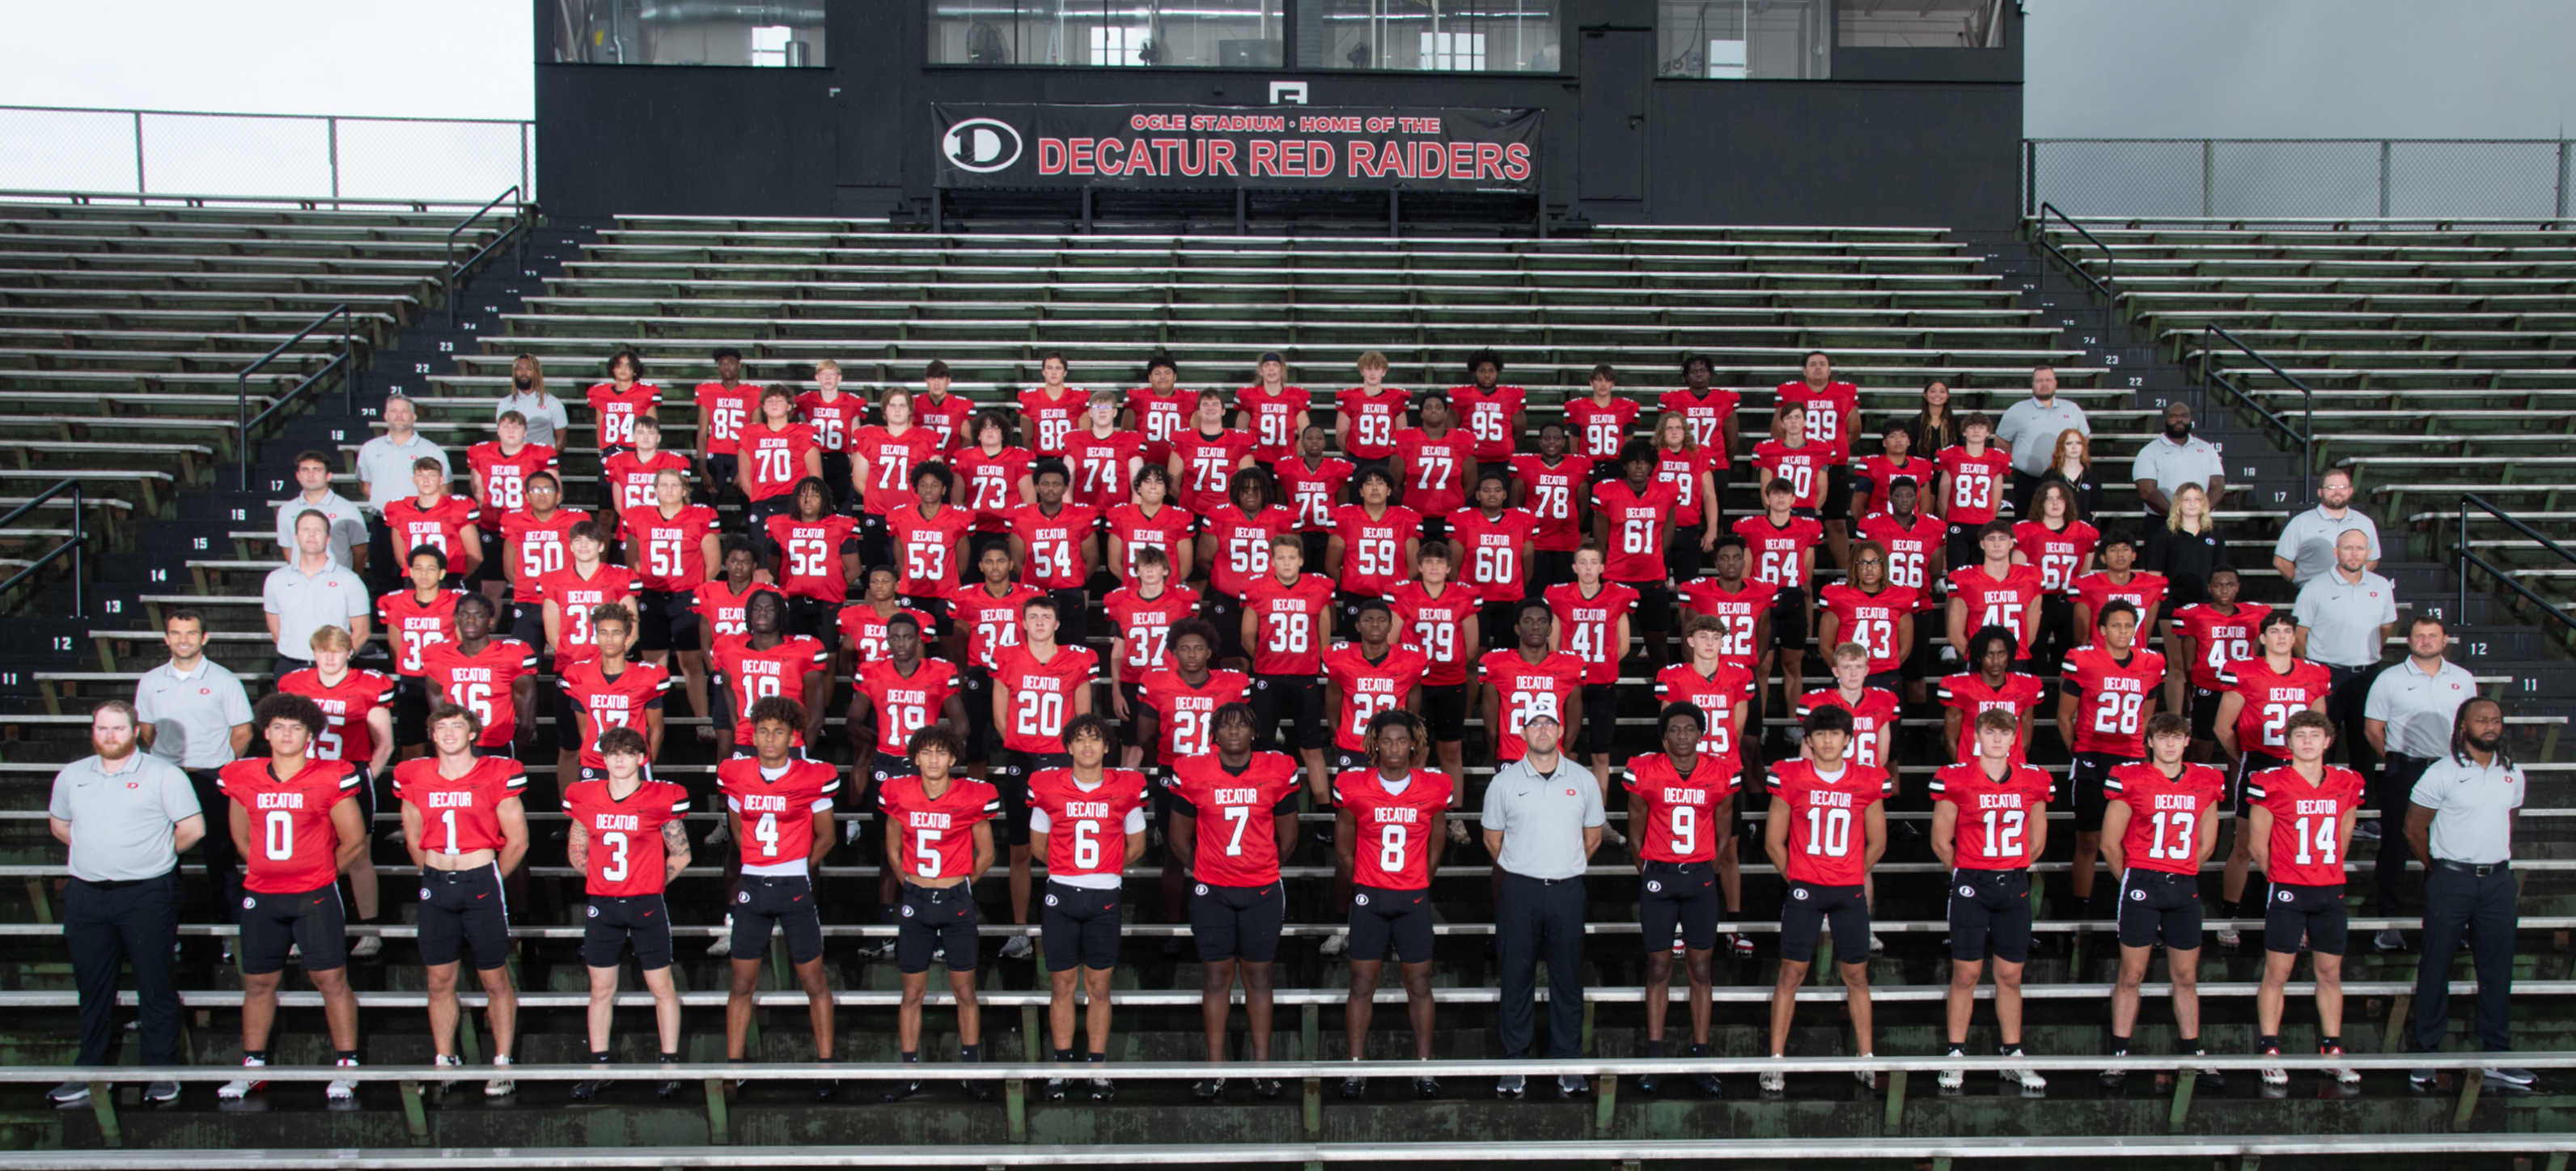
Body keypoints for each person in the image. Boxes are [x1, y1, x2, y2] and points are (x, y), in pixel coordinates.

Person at [46, 700, 201, 1106]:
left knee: (155, 983)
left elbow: (193, 828)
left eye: (118, 729)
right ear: (92, 731)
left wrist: (152, 859)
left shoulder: (164, 775)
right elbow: (61, 825)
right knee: (93, 988)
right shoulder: (72, 775)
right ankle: (91, 1070)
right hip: (86, 894)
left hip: (147, 895)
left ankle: (161, 1071)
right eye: (102, 728)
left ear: (135, 731)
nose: (109, 736)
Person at [214, 694, 366, 1102]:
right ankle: (253, 1065)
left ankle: (347, 1064)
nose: (286, 734)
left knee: (330, 980)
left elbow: (353, 840)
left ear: (310, 734)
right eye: (279, 726)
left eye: (296, 727)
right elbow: (241, 837)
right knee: (258, 983)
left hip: (313, 895)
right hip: (262, 895)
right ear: (265, 731)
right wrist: (270, 869)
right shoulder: (242, 775)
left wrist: (317, 875)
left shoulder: (330, 774)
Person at [1165, 702, 1304, 1101]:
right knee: (1216, 979)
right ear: (1215, 733)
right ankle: (1216, 1069)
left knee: (1259, 977)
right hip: (1214, 891)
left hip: (1261, 889)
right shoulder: (1193, 771)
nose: (1233, 732)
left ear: (1253, 731)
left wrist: (1261, 867)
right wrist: (1205, 869)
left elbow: (1289, 836)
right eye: (1225, 726)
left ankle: (1262, 1069)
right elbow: (1178, 837)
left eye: (1241, 725)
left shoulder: (1276, 769)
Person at [390, 702, 528, 1096]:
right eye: (441, 727)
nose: (449, 732)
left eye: (457, 726)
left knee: (494, 978)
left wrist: (487, 879)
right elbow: (413, 833)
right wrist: (436, 874)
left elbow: (518, 840)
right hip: (437, 883)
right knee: (438, 981)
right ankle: (444, 1058)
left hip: (482, 880)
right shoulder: (414, 774)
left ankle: (502, 1061)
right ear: (431, 735)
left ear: (473, 733)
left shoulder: (497, 773)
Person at [1760, 705, 1890, 1094]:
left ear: (1849, 739)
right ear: (1809, 740)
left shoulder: (1866, 780)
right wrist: (1800, 878)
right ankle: (1775, 1061)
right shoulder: (1792, 777)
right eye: (1820, 734)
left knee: (1856, 976)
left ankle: (1866, 1058)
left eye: (1835, 734)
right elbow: (1773, 841)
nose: (1828, 740)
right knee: (1790, 974)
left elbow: (1879, 841)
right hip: (1806, 890)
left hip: (1848, 891)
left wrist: (1848, 874)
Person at [714, 697, 841, 1097]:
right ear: (754, 733)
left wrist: (794, 866)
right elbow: (738, 830)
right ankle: (734, 1068)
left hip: (794, 886)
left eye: (779, 731)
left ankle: (826, 1066)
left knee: (813, 980)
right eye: (763, 731)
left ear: (793, 735)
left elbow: (827, 836)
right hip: (753, 885)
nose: (770, 739)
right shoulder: (735, 773)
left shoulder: (811, 776)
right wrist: (761, 864)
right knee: (741, 982)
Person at [2404, 698, 2532, 1089]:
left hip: (2497, 882)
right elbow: (2413, 829)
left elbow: (2509, 820)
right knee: (2436, 966)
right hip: (2451, 879)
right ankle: (2426, 1052)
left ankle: (2497, 1052)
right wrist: (2438, 868)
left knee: (2497, 971)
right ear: (2463, 727)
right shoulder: (2441, 773)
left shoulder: (2513, 774)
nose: (2490, 726)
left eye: (2495, 720)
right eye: (2482, 720)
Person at [2098, 711, 2227, 1090]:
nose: (2170, 744)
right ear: (2150, 742)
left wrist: (2180, 869)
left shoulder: (2206, 780)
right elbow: (2109, 842)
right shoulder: (2131, 778)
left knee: (2186, 977)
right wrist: (2136, 879)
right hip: (2142, 882)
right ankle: (2119, 1053)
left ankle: (2192, 1052)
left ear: (2187, 741)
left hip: (2183, 884)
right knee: (2132, 974)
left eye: (2177, 737)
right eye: (2162, 737)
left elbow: (2207, 842)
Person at [563, 725, 692, 1101]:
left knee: (661, 987)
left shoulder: (658, 798)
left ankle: (670, 1064)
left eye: (627, 752)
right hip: (602, 905)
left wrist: (652, 882)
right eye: (612, 753)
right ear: (603, 759)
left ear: (641, 757)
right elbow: (576, 849)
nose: (619, 759)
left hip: (646, 904)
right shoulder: (585, 797)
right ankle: (599, 1066)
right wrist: (605, 881)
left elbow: (681, 853)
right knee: (600, 989)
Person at [1930, 710, 2054, 1091]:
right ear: (1978, 735)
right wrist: (1968, 872)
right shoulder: (1956, 778)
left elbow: (2038, 836)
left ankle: (2012, 1053)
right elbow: (1940, 838)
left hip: (2013, 886)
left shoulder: (2034, 780)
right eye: (1990, 731)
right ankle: (1955, 1053)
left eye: (2004, 732)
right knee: (1966, 973)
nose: (1997, 739)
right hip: (1972, 885)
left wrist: (2012, 866)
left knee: (2010, 975)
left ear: (2015, 737)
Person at [1332, 709, 1451, 1100]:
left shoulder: (1434, 787)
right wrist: (1367, 883)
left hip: (1413, 897)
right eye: (1387, 740)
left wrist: (1420, 880)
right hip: (1370, 897)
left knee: (1419, 983)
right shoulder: (1354, 785)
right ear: (1374, 744)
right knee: (1361, 984)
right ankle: (1355, 1067)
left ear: (1413, 743)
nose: (1395, 747)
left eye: (1402, 740)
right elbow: (1344, 848)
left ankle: (1423, 1067)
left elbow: (1437, 840)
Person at [879, 724, 1002, 1103]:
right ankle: (910, 1071)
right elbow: (895, 851)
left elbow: (987, 853)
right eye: (926, 752)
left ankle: (970, 1070)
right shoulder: (899, 794)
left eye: (941, 753)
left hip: (955, 902)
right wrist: (913, 885)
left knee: (965, 991)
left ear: (953, 759)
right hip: (916, 903)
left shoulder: (971, 797)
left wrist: (960, 884)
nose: (934, 760)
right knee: (911, 993)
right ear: (915, 757)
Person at [1027, 715, 1149, 1101]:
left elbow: (1137, 845)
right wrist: (1070, 871)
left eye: (1095, 739)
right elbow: (1038, 846)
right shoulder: (1048, 787)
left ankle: (1097, 1069)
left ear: (1107, 746)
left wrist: (1104, 871)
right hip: (1062, 893)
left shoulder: (1126, 788)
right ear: (1068, 747)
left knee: (1099, 986)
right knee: (1061, 986)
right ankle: (1063, 1068)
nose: (1087, 746)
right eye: (1080, 740)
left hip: (1104, 895)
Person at [1484, 709, 1601, 1100]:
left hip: (1567, 889)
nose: (1543, 729)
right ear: (1522, 732)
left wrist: (1562, 864)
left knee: (1567, 979)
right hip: (1521, 890)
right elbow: (1493, 840)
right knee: (1516, 978)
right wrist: (1527, 865)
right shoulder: (1504, 782)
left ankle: (1567, 1063)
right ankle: (1516, 1062)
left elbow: (1593, 837)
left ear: (1562, 730)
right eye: (1535, 723)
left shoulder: (1583, 780)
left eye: (1550, 723)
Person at [2246, 710, 2366, 1086]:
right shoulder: (2270, 782)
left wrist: (2321, 874)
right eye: (2300, 735)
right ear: (2289, 742)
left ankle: (2332, 1048)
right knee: (2277, 973)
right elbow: (2257, 845)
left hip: (2329, 889)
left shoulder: (2346, 782)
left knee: (2330, 973)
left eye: (2315, 734)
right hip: (2288, 889)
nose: (2308, 741)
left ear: (2328, 741)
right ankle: (2270, 1047)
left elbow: (2345, 834)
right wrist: (2284, 878)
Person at [1624, 702, 1733, 1098]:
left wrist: (1709, 868)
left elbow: (1724, 829)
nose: (1683, 736)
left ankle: (1700, 1056)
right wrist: (1651, 873)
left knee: (1701, 968)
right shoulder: (1645, 770)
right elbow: (1635, 832)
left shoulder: (1719, 772)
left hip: (1699, 879)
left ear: (1701, 733)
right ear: (1664, 736)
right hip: (1661, 879)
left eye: (1690, 729)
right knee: (1658, 966)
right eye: (1675, 730)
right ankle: (1656, 1055)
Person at [2210, 610, 2331, 944]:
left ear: (2295, 637)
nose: (2281, 636)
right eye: (2274, 631)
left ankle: (2295, 914)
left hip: (2299, 766)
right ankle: (2228, 915)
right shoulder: (2245, 671)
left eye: (2287, 631)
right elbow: (2222, 727)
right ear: (2262, 638)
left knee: (2295, 844)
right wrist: (2246, 758)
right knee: (2246, 845)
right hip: (2260, 762)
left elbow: (2321, 729)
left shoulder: (2313, 674)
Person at [992, 596, 1101, 957]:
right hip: (1022, 760)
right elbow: (1000, 717)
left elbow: (1084, 722)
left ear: (1057, 623)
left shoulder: (1078, 660)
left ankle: (1071, 924)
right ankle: (1020, 930)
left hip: (1058, 761)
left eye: (1046, 616)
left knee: (1065, 846)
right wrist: (1021, 746)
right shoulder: (1007, 658)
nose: (1039, 622)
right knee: (1020, 848)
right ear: (1022, 623)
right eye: (1033, 616)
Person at [277, 626, 395, 953]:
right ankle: (305, 931)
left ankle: (370, 931)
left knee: (357, 856)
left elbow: (384, 745)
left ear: (349, 652)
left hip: (350, 776)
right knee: (305, 856)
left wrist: (362, 779)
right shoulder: (295, 684)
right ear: (313, 653)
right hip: (307, 777)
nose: (329, 658)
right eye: (322, 651)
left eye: (336, 651)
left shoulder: (368, 685)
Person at [2364, 615, 2478, 950]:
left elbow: (2468, 728)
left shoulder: (2464, 679)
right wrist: (2396, 760)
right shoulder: (2390, 679)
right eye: (2419, 635)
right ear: (2409, 641)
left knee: (2451, 848)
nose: (2425, 640)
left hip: (2451, 770)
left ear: (2445, 641)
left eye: (2432, 636)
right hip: (2405, 769)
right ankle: (2390, 923)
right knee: (2395, 847)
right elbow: (2373, 729)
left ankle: (2450, 924)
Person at [134, 609, 253, 927]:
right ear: (166, 638)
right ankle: (166, 932)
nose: (183, 640)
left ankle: (231, 931)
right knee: (165, 857)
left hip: (211, 776)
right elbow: (147, 730)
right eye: (176, 633)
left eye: (190, 633)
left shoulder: (224, 680)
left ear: (204, 638)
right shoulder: (150, 681)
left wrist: (222, 768)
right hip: (167, 779)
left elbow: (242, 732)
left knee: (220, 857)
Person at [1651, 616, 1756, 958]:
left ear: (1723, 641)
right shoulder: (1674, 676)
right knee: (1683, 852)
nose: (1710, 642)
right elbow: (1667, 728)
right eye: (1703, 636)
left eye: (1716, 636)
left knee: (1728, 850)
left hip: (1724, 775)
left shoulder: (1740, 674)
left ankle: (1734, 926)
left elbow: (1737, 731)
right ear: (1691, 640)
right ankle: (1681, 926)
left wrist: (1720, 766)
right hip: (1686, 773)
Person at [1137, 620, 1252, 929]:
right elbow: (1146, 736)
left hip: (1217, 778)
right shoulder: (1157, 682)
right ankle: (1174, 925)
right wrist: (1166, 764)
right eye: (1185, 648)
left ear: (1210, 652)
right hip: (1173, 777)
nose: (1191, 654)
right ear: (1173, 652)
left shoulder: (1232, 684)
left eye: (1198, 648)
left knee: (1217, 851)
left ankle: (1217, 919)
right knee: (1174, 857)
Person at [848, 613, 965, 914]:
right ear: (887, 640)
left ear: (919, 639)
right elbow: (853, 722)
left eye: (907, 637)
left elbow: (961, 725)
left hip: (924, 768)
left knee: (930, 844)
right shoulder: (872, 671)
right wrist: (879, 741)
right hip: (888, 764)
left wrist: (933, 751)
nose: (901, 643)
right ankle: (886, 921)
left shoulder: (939, 671)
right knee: (891, 850)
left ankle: (935, 913)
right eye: (895, 637)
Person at [2057, 600, 2167, 919]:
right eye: (2116, 625)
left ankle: (2137, 902)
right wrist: (2080, 753)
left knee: (2135, 839)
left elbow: (2147, 719)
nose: (2123, 631)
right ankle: (2081, 907)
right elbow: (2065, 717)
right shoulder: (2084, 660)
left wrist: (2142, 756)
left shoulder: (2150, 663)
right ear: (2102, 630)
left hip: (2131, 759)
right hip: (2092, 755)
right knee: (2089, 840)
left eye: (2129, 625)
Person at [541, 520, 643, 778]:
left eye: (589, 540)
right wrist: (581, 665)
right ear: (571, 546)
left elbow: (631, 630)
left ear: (600, 545)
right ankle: (570, 807)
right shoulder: (554, 580)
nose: (583, 545)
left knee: (617, 744)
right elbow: (553, 634)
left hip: (610, 673)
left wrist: (609, 662)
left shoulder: (619, 577)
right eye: (577, 540)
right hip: (571, 671)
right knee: (570, 745)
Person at [2295, 529, 2399, 781]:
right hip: (2327, 674)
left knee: (2364, 741)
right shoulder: (2315, 587)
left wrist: (2368, 651)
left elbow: (2386, 626)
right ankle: (2320, 796)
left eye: (2360, 548)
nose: (2354, 554)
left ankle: (2363, 803)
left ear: (2369, 553)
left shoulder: (2381, 586)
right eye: (2348, 548)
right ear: (2336, 552)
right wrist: (2313, 670)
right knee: (2322, 739)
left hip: (2367, 674)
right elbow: (2300, 634)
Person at [1243, 533, 1336, 796]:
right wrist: (1263, 659)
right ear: (1272, 561)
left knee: (1311, 746)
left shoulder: (1318, 588)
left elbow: (1324, 638)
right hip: (1268, 678)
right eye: (1281, 558)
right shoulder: (1257, 589)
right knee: (1261, 746)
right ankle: (1260, 802)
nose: (1286, 563)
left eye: (1292, 558)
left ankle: (1324, 806)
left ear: (1301, 560)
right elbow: (1247, 636)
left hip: (1303, 677)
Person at [621, 468, 722, 706]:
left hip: (686, 598)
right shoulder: (639, 517)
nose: (669, 490)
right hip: (652, 597)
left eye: (674, 485)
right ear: (654, 489)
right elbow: (633, 561)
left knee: (693, 663)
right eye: (663, 485)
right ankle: (650, 720)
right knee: (652, 667)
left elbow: (713, 564)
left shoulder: (700, 517)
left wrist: (692, 589)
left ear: (684, 490)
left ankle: (701, 721)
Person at [1546, 545, 1638, 800]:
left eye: (1593, 562)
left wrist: (1603, 664)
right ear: (1574, 567)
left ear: (1602, 567)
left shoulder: (1617, 597)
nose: (1588, 568)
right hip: (1570, 685)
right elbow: (1553, 647)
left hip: (1602, 685)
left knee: (1601, 753)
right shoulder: (1560, 597)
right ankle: (1565, 804)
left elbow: (1624, 646)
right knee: (1568, 749)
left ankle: (1600, 816)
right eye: (1582, 562)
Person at [945, 544, 1044, 774]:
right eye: (989, 561)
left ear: (1011, 564)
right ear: (980, 566)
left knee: (1022, 746)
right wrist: (962, 674)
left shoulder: (1030, 596)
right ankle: (977, 802)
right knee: (977, 749)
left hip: (1017, 676)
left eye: (1000, 561)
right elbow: (958, 644)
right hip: (981, 675)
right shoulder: (966, 597)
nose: (995, 566)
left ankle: (1023, 798)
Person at [1386, 541, 1480, 783]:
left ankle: (1456, 814)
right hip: (1417, 685)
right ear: (1419, 566)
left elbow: (1471, 646)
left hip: (1452, 684)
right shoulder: (1405, 594)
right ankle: (1416, 807)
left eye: (1440, 562)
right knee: (1418, 750)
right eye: (1428, 561)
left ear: (1449, 567)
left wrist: (1450, 664)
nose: (1434, 567)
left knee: (1451, 750)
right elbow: (1392, 642)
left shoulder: (1463, 596)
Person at [1102, 547, 1199, 768]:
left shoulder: (1181, 601)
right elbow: (1117, 653)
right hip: (1133, 682)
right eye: (1145, 565)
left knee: (1174, 741)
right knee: (1131, 744)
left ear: (1166, 570)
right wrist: (1116, 692)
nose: (1150, 570)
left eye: (1155, 565)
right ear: (1136, 571)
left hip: (1169, 683)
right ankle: (1128, 794)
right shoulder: (1123, 603)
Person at [1733, 478, 1825, 710]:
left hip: (1792, 598)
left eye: (1785, 494)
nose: (1780, 498)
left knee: (1793, 664)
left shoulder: (1807, 527)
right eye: (1775, 493)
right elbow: (1746, 571)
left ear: (1794, 499)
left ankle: (1794, 723)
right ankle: (1760, 723)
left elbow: (1807, 576)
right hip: (1762, 600)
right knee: (1763, 664)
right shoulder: (1751, 527)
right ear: (1767, 498)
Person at [709, 589, 830, 763]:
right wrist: (742, 735)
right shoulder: (729, 649)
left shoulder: (803, 651)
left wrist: (800, 747)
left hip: (789, 743)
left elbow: (816, 717)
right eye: (756, 608)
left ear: (781, 613)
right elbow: (732, 703)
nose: (762, 613)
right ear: (748, 613)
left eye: (770, 609)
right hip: (747, 742)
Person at [1856, 475, 1947, 705]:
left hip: (1919, 606)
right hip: (1883, 606)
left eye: (1909, 495)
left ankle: (1914, 730)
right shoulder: (1872, 525)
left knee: (1915, 672)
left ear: (1917, 498)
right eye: (1899, 495)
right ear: (1890, 497)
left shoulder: (1933, 526)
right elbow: (1861, 564)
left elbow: (1934, 570)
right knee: (1880, 668)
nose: (1904, 500)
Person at [419, 592, 542, 761]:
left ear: (490, 621)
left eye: (478, 616)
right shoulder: (437, 656)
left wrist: (511, 755)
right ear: (455, 619)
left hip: (497, 748)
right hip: (455, 748)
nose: (470, 621)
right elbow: (437, 719)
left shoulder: (512, 656)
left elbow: (527, 724)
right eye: (464, 615)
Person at [558, 603, 671, 781]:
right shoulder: (579, 676)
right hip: (594, 764)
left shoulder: (647, 677)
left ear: (627, 638)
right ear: (596, 636)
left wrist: (644, 765)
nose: (609, 639)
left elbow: (657, 730)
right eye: (603, 633)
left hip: (633, 764)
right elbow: (585, 731)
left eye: (616, 633)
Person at [2168, 565, 2269, 759]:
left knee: (2238, 751)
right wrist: (2194, 692)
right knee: (2201, 747)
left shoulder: (2253, 615)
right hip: (2208, 689)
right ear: (2209, 588)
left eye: (2230, 585)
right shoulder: (2196, 615)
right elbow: (2189, 665)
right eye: (2219, 585)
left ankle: (2235, 791)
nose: (2224, 590)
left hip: (2240, 692)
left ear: (2238, 587)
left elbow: (2254, 657)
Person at [1320, 600, 1429, 780]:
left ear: (1390, 626)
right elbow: (1332, 701)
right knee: (1350, 802)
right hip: (1353, 745)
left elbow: (1413, 709)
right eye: (1368, 620)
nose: (1375, 624)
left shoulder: (1410, 661)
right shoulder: (1341, 659)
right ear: (1357, 626)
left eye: (1382, 620)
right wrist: (1337, 733)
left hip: (1392, 747)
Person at [1594, 440, 1680, 664]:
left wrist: (1653, 559)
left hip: (1653, 579)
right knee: (1608, 649)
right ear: (1624, 465)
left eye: (1644, 462)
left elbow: (1668, 534)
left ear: (1652, 466)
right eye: (1633, 461)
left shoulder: (1666, 491)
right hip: (1616, 580)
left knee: (1658, 651)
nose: (1639, 467)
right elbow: (1601, 538)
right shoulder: (1608, 492)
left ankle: (1663, 699)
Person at [1199, 467, 1294, 668]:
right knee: (1232, 662)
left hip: (1268, 599)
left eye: (1256, 488)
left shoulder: (1282, 517)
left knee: (1267, 660)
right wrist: (1226, 580)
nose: (1250, 493)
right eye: (1244, 489)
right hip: (1229, 598)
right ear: (1235, 491)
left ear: (1266, 491)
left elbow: (1292, 561)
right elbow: (1204, 559)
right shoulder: (1220, 515)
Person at [354, 394, 448, 592]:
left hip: (418, 525)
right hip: (383, 524)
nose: (399, 415)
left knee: (418, 584)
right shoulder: (370, 449)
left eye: (404, 411)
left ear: (413, 417)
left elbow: (445, 491)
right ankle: (384, 624)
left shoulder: (431, 450)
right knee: (382, 585)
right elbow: (365, 485)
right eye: (394, 411)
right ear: (386, 416)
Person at [1774, 351, 1860, 569]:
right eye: (1813, 364)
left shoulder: (1845, 392)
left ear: (1830, 370)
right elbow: (1777, 431)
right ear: (1804, 370)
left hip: (1833, 468)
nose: (1818, 368)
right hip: (1800, 466)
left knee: (1838, 524)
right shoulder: (1790, 391)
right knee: (1791, 523)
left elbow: (1854, 432)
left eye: (1823, 364)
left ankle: (1846, 575)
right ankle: (1789, 570)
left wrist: (1829, 451)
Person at [1480, 599, 1588, 770]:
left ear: (1550, 629)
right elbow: (1491, 728)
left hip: (1552, 757)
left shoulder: (1569, 667)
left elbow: (1573, 727)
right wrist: (1499, 759)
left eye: (1542, 621)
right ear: (1517, 628)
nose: (1536, 627)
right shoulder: (1498, 665)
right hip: (1511, 757)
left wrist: (1560, 756)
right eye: (1528, 621)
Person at [265, 510, 375, 679]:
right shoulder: (275, 579)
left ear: (328, 538)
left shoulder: (350, 580)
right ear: (295, 536)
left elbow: (362, 631)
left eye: (318, 530)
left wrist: (337, 660)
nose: (311, 535)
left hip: (332, 671)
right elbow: (276, 631)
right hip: (289, 667)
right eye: (305, 529)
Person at [762, 477, 862, 647]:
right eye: (803, 495)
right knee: (795, 655)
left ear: (824, 499)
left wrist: (832, 585)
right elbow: (773, 568)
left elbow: (855, 570)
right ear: (796, 499)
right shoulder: (781, 525)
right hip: (794, 602)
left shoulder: (838, 526)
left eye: (814, 495)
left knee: (828, 656)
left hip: (827, 603)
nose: (807, 500)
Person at [466, 411, 559, 588]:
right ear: (498, 430)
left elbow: (555, 492)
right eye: (506, 426)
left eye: (517, 426)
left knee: (531, 585)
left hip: (526, 528)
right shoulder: (481, 453)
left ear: (525, 432)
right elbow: (478, 491)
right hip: (493, 527)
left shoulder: (539, 454)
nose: (511, 430)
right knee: (491, 588)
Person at [2012, 479, 2097, 674]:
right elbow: (2019, 574)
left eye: (2059, 498)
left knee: (2070, 661)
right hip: (2038, 601)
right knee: (2033, 655)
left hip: (2070, 602)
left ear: (2067, 501)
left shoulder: (2083, 532)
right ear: (2040, 503)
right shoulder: (2027, 531)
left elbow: (2084, 573)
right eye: (2049, 499)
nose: (2055, 503)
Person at [1325, 467, 1422, 632]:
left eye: (1380, 483)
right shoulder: (1346, 518)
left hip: (1394, 597)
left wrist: (1396, 587)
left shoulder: (1405, 519)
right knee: (1355, 648)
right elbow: (1331, 564)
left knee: (1392, 651)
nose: (1375, 488)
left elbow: (1414, 566)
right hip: (1357, 598)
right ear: (1361, 492)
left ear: (1389, 490)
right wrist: (1353, 584)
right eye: (1369, 484)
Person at [854, 387, 943, 563]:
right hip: (878, 515)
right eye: (892, 405)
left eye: (902, 405)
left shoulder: (926, 438)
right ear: (884, 409)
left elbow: (939, 480)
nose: (897, 409)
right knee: (876, 576)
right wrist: (879, 499)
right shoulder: (869, 437)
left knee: (911, 576)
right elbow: (858, 480)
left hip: (913, 515)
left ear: (910, 409)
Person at [1946, 520, 2044, 678]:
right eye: (1991, 539)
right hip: (1980, 660)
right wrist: (1977, 657)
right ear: (1982, 544)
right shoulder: (1966, 580)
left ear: (2012, 543)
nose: (1997, 544)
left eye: (2002, 539)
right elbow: (1955, 634)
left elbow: (2030, 633)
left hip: (2017, 659)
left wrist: (2011, 655)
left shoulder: (2030, 578)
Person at [1938, 625, 2044, 767]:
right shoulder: (1961, 688)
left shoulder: (2026, 687)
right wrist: (1966, 769)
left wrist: (2010, 769)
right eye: (1989, 654)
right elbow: (1951, 738)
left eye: (2001, 654)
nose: (1995, 661)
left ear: (2009, 655)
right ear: (1979, 657)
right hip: (1973, 768)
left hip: (2011, 770)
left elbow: (2025, 740)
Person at [1443, 472, 1532, 644]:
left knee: (1507, 654)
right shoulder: (1464, 521)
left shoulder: (1521, 521)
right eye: (1486, 490)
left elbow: (1528, 564)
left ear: (1505, 495)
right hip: (1475, 598)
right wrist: (1465, 594)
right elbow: (1454, 566)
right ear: (1477, 495)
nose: (1492, 494)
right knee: (1475, 652)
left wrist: (1515, 587)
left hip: (1510, 599)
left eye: (1497, 490)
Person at [501, 471, 587, 644]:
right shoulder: (514, 521)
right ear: (527, 496)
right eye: (535, 490)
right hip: (528, 601)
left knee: (569, 663)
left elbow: (586, 559)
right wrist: (527, 588)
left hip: (565, 600)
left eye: (547, 489)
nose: (541, 494)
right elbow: (509, 568)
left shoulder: (575, 520)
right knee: (525, 663)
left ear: (558, 495)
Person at [1818, 541, 1917, 690]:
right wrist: (1845, 672)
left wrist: (1886, 666)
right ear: (1853, 566)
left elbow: (1906, 647)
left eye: (1875, 562)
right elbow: (1825, 647)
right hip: (1849, 676)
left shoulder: (1900, 596)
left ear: (1884, 565)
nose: (1869, 568)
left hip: (1886, 676)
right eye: (1863, 563)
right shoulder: (1839, 597)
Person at [1994, 363, 2088, 516]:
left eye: (2048, 380)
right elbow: (2001, 441)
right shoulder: (2017, 410)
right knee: (2028, 525)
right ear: (2032, 385)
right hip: (2029, 481)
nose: (2044, 384)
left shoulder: (2072, 409)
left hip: (2066, 479)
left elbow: (2084, 439)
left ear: (2055, 382)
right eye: (2039, 381)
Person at [1509, 422, 1594, 591]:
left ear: (1564, 442)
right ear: (1540, 442)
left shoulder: (1578, 466)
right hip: (1536, 542)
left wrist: (1573, 524)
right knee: (1534, 592)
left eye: (1556, 439)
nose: (1551, 443)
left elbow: (1583, 506)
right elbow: (1516, 505)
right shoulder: (1525, 465)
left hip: (1566, 542)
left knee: (1564, 594)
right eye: (1547, 439)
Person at [956, 409, 1039, 566]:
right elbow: (957, 499)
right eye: (985, 427)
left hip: (1007, 529)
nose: (990, 431)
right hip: (975, 529)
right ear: (978, 434)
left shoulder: (1018, 458)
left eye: (995, 427)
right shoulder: (964, 458)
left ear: (1004, 434)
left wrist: (1021, 528)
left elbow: (1029, 499)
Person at [2270, 469, 2380, 586]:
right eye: (2331, 487)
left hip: (2352, 597)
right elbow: (2281, 561)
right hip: (2315, 598)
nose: (2337, 492)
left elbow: (2372, 560)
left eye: (2343, 487)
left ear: (2350, 491)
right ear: (2320, 492)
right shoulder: (2301, 522)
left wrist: (2354, 582)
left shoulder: (2365, 523)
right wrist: (2304, 586)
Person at [737, 384, 824, 532]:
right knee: (762, 552)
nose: (774, 404)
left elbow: (815, 478)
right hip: (762, 504)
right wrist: (763, 498)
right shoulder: (749, 435)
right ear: (763, 407)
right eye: (769, 401)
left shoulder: (803, 433)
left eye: (779, 400)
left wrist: (804, 505)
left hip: (793, 502)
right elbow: (745, 481)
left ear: (789, 406)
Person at [384, 455, 483, 583]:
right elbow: (400, 557)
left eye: (432, 475)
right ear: (414, 480)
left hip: (448, 578)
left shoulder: (458, 508)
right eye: (420, 475)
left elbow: (475, 556)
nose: (426, 480)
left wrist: (456, 579)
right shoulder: (399, 510)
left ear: (441, 479)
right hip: (414, 581)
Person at [1390, 392, 1477, 538]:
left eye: (1438, 407)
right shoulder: (1406, 440)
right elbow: (1394, 483)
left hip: (1451, 516)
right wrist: (1411, 504)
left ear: (1445, 413)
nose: (1434, 410)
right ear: (1422, 414)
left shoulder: (1463, 440)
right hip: (1414, 515)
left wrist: (1454, 502)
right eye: (1428, 408)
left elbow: (1471, 484)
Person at [1934, 412, 2010, 573]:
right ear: (1964, 431)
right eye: (1972, 427)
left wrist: (1988, 517)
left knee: (1982, 577)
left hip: (1984, 524)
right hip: (1957, 523)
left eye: (1981, 427)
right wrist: (1949, 520)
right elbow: (1942, 499)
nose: (1976, 430)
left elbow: (1997, 499)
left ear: (1988, 432)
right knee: (1955, 577)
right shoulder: (1952, 457)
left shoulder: (1996, 459)